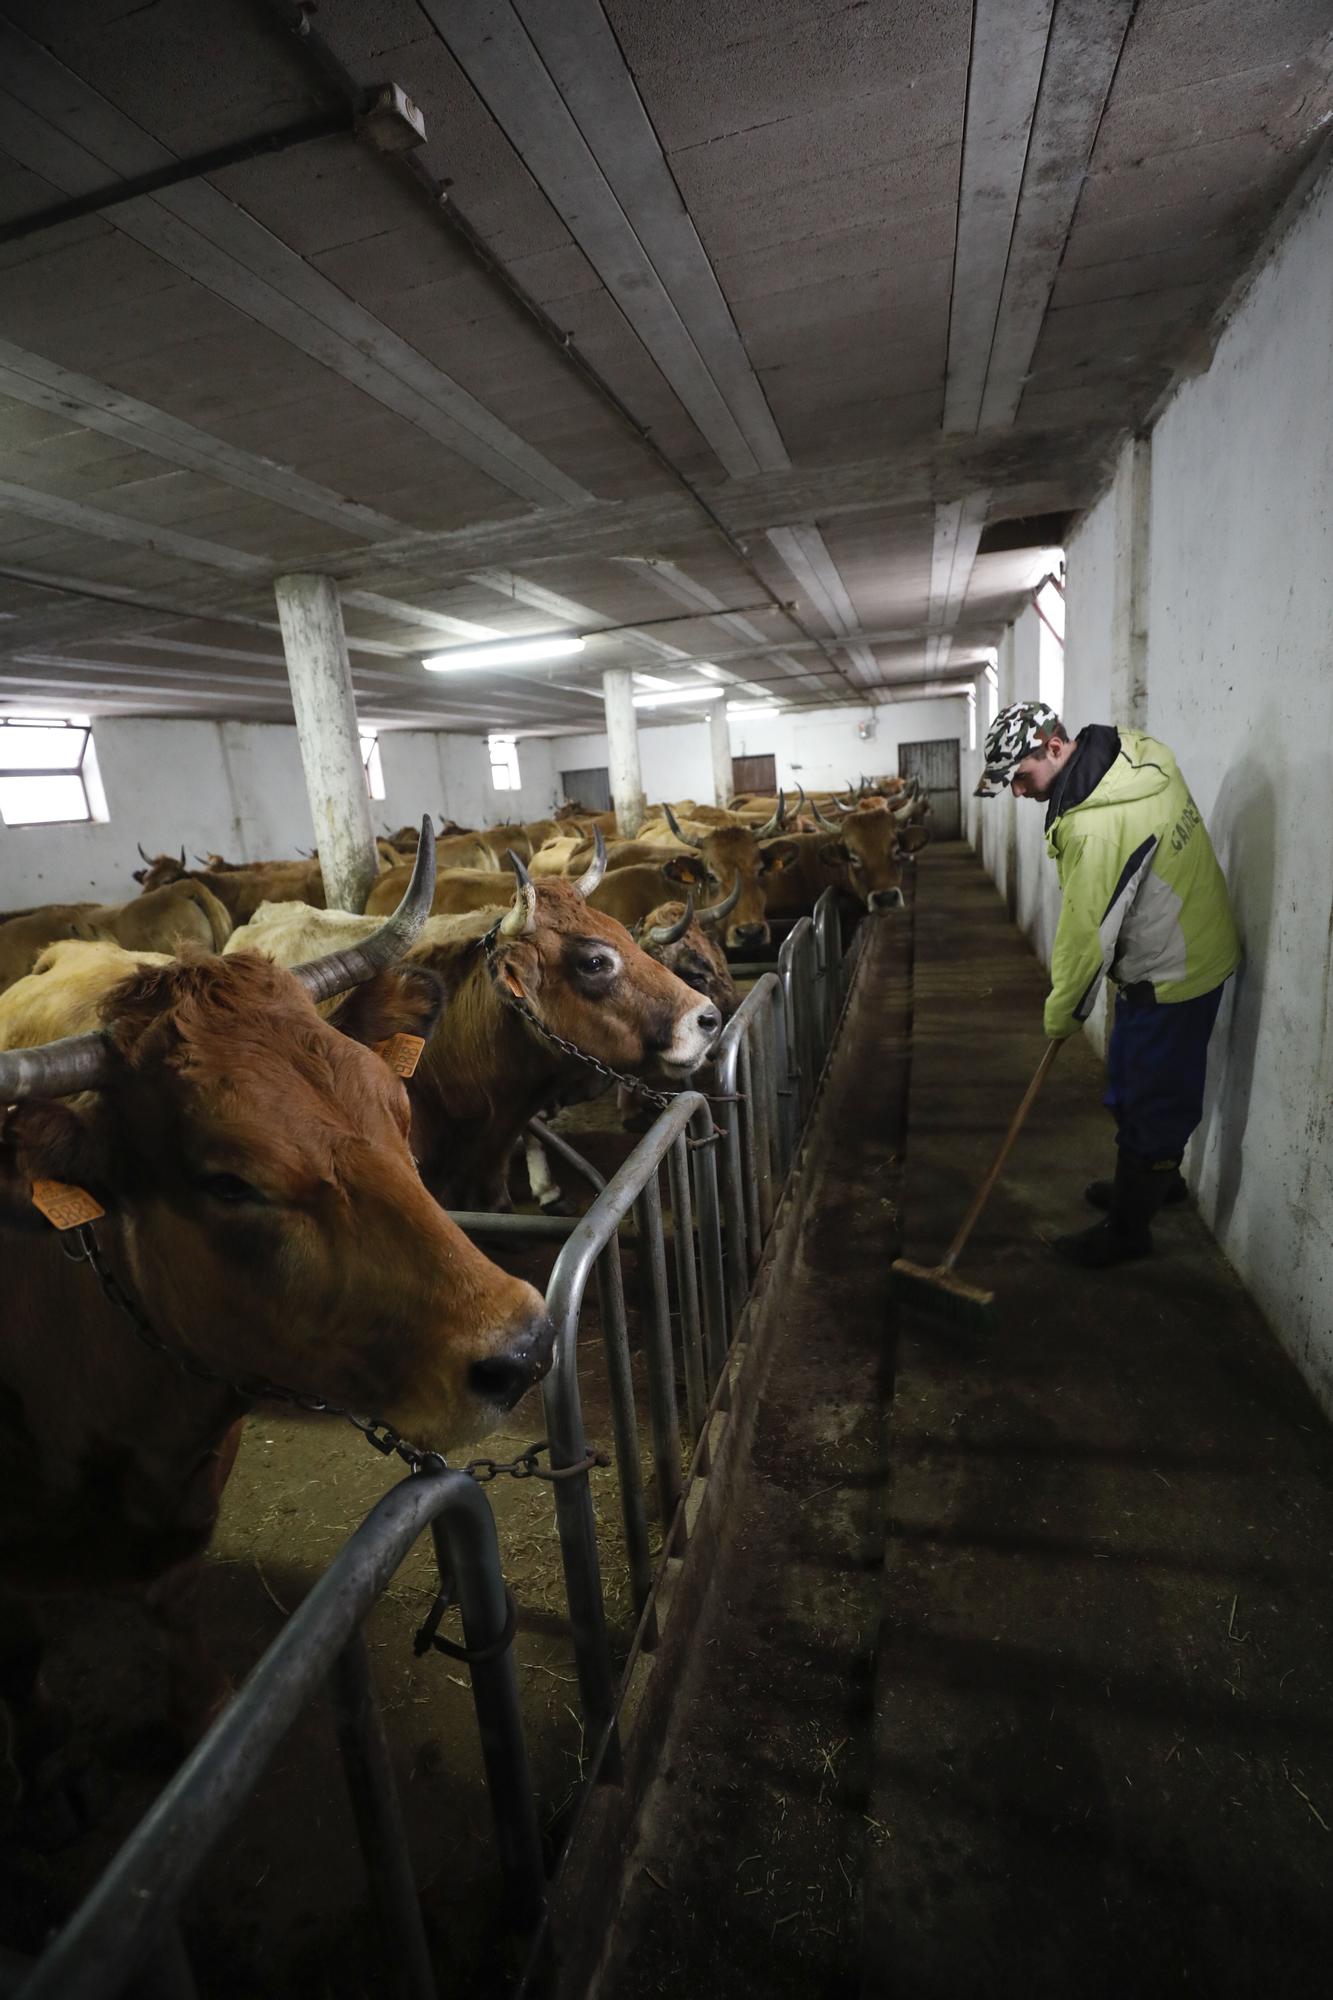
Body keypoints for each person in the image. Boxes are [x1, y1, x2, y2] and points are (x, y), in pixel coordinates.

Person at [974, 700, 1240, 1267]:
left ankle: (1129, 1229)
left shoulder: (1095, 825)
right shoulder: (1128, 752)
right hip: (1182, 937)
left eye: (1019, 778)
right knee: (1127, 1078)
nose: (1018, 794)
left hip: (1175, 969)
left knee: (1151, 1098)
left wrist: (1062, 1012)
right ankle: (1151, 1182)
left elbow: (1084, 936)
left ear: (1053, 747)